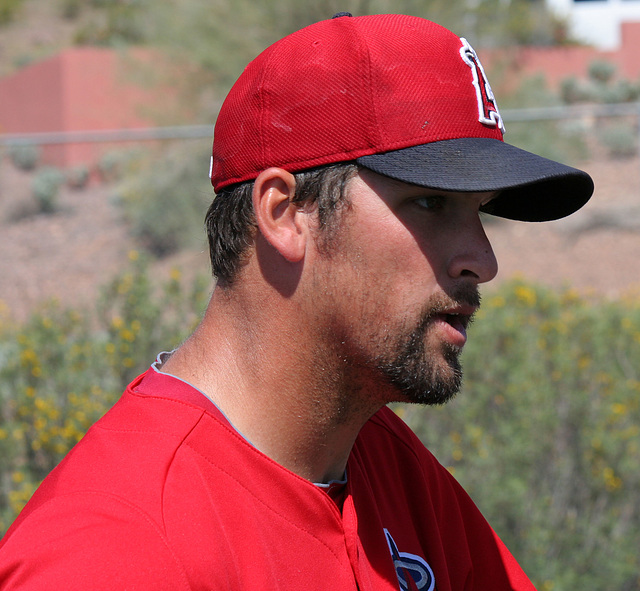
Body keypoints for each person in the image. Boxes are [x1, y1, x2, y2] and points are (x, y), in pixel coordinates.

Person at [0, 12, 593, 591]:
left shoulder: (382, 460)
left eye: (479, 211)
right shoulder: (114, 552)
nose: (482, 262)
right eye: (432, 204)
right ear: (284, 214)